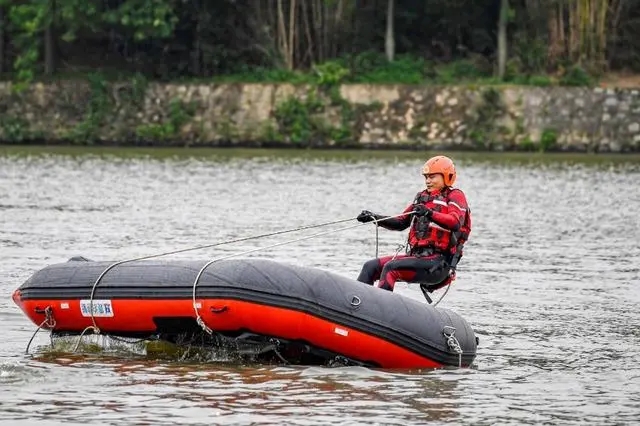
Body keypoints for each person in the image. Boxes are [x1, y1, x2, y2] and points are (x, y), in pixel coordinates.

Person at [356, 155, 472, 293]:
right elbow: (400, 222)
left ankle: (378, 309)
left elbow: (455, 223)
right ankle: (354, 305)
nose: (428, 181)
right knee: (370, 266)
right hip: (417, 257)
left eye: (432, 177)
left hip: (438, 264)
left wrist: (429, 213)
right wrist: (374, 218)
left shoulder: (455, 195)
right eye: (426, 177)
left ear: (447, 176)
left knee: (391, 268)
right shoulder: (422, 198)